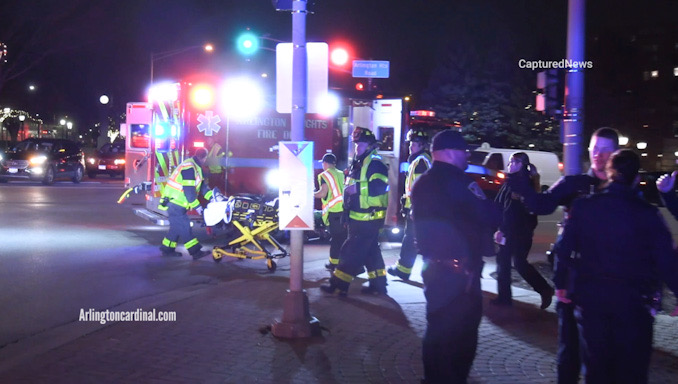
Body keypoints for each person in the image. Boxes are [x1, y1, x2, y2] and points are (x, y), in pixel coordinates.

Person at [556, 149, 678, 383]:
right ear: (635, 178)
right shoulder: (648, 214)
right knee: (631, 371)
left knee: (596, 368)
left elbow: (564, 248)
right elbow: (666, 259)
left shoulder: (584, 207)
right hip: (633, 305)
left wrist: (561, 283)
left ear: (610, 173)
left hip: (592, 302)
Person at [508, 127, 619, 384]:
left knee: (604, 356)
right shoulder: (575, 184)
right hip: (574, 284)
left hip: (609, 287)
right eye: (596, 149)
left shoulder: (622, 190)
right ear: (589, 151)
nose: (600, 156)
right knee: (569, 352)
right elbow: (541, 204)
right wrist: (520, 182)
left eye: (606, 150)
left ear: (616, 153)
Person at [411, 129, 500, 384]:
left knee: (438, 331)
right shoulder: (459, 182)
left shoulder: (424, 182)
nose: (468, 155)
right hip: (460, 275)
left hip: (436, 270)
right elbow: (487, 214)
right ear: (451, 153)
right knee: (461, 336)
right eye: (464, 151)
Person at [320, 128, 389, 296]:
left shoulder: (375, 163)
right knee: (371, 252)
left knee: (350, 251)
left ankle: (338, 284)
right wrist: (346, 212)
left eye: (361, 144)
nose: (357, 147)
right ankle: (379, 286)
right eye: (356, 144)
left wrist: (357, 188)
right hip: (358, 215)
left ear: (371, 145)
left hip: (369, 217)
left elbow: (379, 187)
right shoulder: (358, 162)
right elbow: (347, 190)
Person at [491, 152, 554, 308]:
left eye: (512, 162)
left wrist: (502, 230)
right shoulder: (511, 182)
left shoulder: (522, 184)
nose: (509, 165)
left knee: (515, 262)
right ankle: (506, 297)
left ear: (520, 164)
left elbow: (513, 212)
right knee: (507, 262)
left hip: (518, 232)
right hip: (513, 231)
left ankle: (543, 290)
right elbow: (500, 205)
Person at [387, 129, 431, 280]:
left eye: (415, 144)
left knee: (413, 239)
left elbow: (421, 189)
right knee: (413, 239)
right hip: (418, 209)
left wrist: (414, 208)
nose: (411, 146)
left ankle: (408, 271)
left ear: (422, 145)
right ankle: (404, 270)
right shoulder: (419, 160)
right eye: (411, 143)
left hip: (418, 209)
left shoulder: (420, 162)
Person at [158, 148, 213, 260]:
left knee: (175, 228)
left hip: (177, 203)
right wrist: (199, 208)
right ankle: (195, 252)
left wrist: (213, 197)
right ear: (204, 157)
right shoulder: (189, 167)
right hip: (174, 203)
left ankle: (167, 249)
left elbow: (202, 188)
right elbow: (189, 192)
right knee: (185, 227)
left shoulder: (195, 167)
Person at [313, 153, 347, 272]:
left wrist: (310, 194)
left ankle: (334, 264)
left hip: (335, 212)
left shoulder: (324, 175)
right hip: (346, 211)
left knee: (337, 239)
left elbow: (323, 193)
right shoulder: (342, 174)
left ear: (325, 163)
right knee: (344, 239)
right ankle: (345, 263)